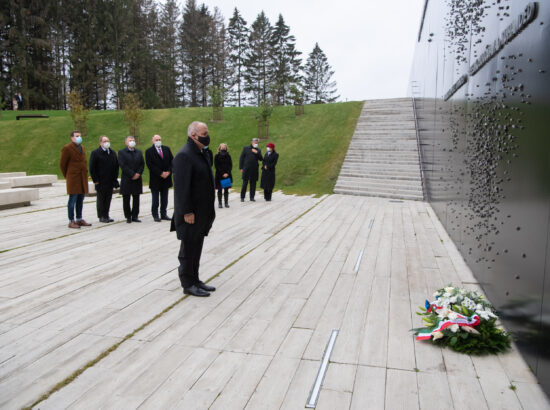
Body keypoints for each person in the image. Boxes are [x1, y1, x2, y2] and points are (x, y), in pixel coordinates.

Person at [170, 121, 216, 297]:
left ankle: (195, 279)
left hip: (202, 212)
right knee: (188, 249)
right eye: (204, 133)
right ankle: (187, 283)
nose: (207, 135)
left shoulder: (200, 153)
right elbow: (182, 188)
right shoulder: (185, 155)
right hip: (191, 214)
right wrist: (187, 211)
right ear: (193, 135)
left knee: (197, 246)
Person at [59, 130, 91, 229]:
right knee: (72, 200)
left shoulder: (82, 147)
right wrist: (68, 176)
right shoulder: (67, 148)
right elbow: (62, 164)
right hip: (73, 178)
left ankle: (79, 218)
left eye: (80, 136)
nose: (79, 138)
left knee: (80, 199)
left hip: (82, 177)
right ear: (72, 138)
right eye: (77, 136)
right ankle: (71, 220)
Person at [89, 135, 119, 223]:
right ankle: (101, 216)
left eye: (108, 141)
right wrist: (95, 180)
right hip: (100, 181)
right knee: (101, 199)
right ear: (100, 143)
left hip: (110, 180)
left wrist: (115, 178)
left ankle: (106, 214)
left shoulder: (112, 153)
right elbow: (92, 168)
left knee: (108, 198)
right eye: (105, 141)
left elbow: (116, 166)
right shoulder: (96, 153)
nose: (107, 143)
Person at [145, 134, 174, 222]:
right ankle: (155, 215)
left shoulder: (166, 149)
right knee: (155, 199)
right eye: (156, 140)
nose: (158, 141)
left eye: (159, 139)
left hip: (166, 178)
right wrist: (160, 173)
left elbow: (172, 161)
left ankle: (163, 214)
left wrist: (169, 172)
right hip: (156, 179)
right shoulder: (149, 151)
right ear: (153, 141)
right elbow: (150, 165)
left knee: (164, 198)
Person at [118, 136, 144, 223]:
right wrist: (132, 174)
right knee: (126, 198)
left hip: (137, 179)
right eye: (130, 141)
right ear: (126, 143)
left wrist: (138, 174)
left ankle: (135, 215)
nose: (132, 142)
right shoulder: (121, 152)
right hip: (127, 179)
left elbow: (142, 164)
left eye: (133, 140)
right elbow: (123, 165)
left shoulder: (139, 152)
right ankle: (128, 216)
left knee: (136, 198)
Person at [239, 137, 263, 202]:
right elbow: (241, 158)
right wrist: (241, 167)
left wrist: (257, 153)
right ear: (252, 142)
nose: (256, 143)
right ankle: (242, 197)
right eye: (255, 142)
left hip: (254, 169)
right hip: (246, 169)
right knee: (245, 183)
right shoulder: (246, 148)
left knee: (253, 184)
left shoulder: (258, 150)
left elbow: (261, 159)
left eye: (257, 142)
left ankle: (252, 197)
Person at [214, 143, 232, 208]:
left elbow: (230, 165)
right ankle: (220, 203)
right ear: (220, 148)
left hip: (227, 175)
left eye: (224, 147)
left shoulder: (228, 156)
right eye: (222, 147)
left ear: (226, 148)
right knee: (220, 190)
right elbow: (216, 166)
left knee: (226, 190)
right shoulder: (217, 156)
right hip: (219, 176)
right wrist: (222, 173)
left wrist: (227, 173)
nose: (223, 148)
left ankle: (226, 203)